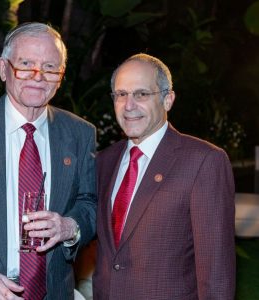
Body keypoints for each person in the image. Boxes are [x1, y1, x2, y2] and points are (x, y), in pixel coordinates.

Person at [0, 22, 97, 300]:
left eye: (49, 67)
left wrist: (70, 227)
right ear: (2, 68)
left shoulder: (80, 133)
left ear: (60, 76)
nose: (38, 76)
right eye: (25, 64)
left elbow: (89, 202)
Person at [93, 53, 236, 299]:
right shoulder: (104, 161)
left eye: (142, 94)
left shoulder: (203, 161)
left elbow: (216, 270)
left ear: (168, 99)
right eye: (121, 94)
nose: (129, 105)